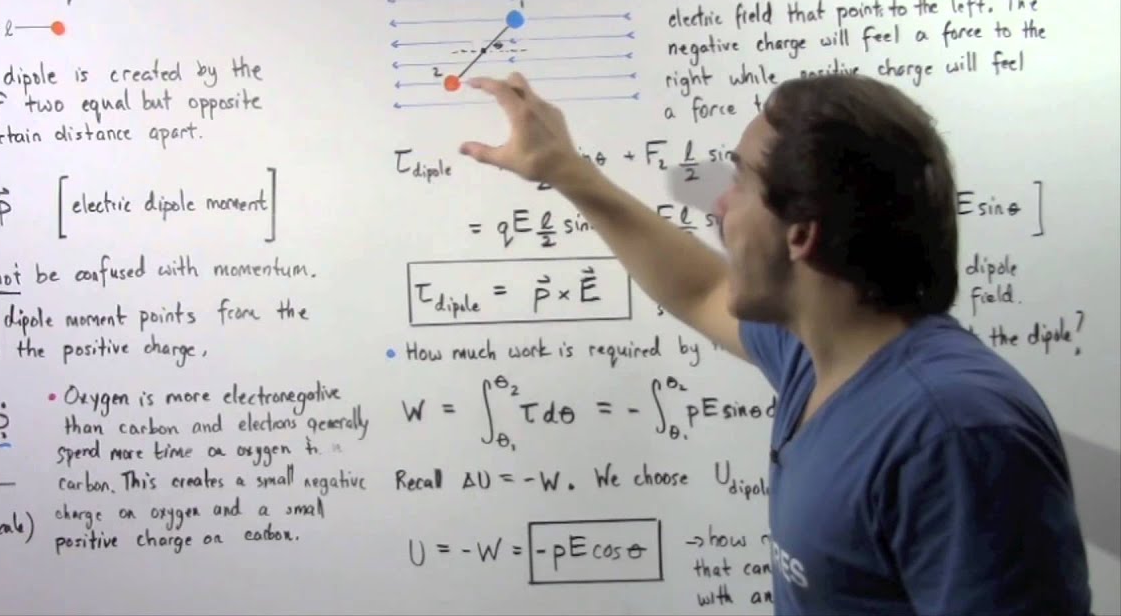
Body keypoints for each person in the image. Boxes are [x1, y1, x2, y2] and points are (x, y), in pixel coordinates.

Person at [458, 72, 1093, 615]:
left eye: (739, 182)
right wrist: (566, 172)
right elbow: (701, 289)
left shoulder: (951, 433)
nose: (718, 206)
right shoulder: (819, 360)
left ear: (801, 234)